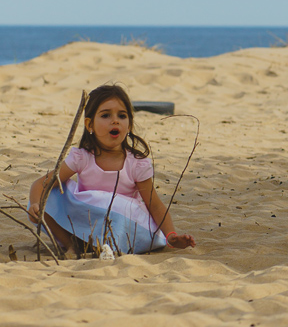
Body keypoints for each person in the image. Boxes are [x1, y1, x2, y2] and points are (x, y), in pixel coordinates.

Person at [28, 84, 195, 255]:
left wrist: (171, 236)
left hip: (124, 226)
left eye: (122, 116)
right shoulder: (82, 157)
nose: (115, 120)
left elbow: (155, 206)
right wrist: (35, 204)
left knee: (115, 205)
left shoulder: (136, 163)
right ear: (89, 124)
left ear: (129, 125)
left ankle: (105, 248)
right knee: (49, 195)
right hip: (89, 223)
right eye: (106, 115)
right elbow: (41, 184)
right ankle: (72, 244)